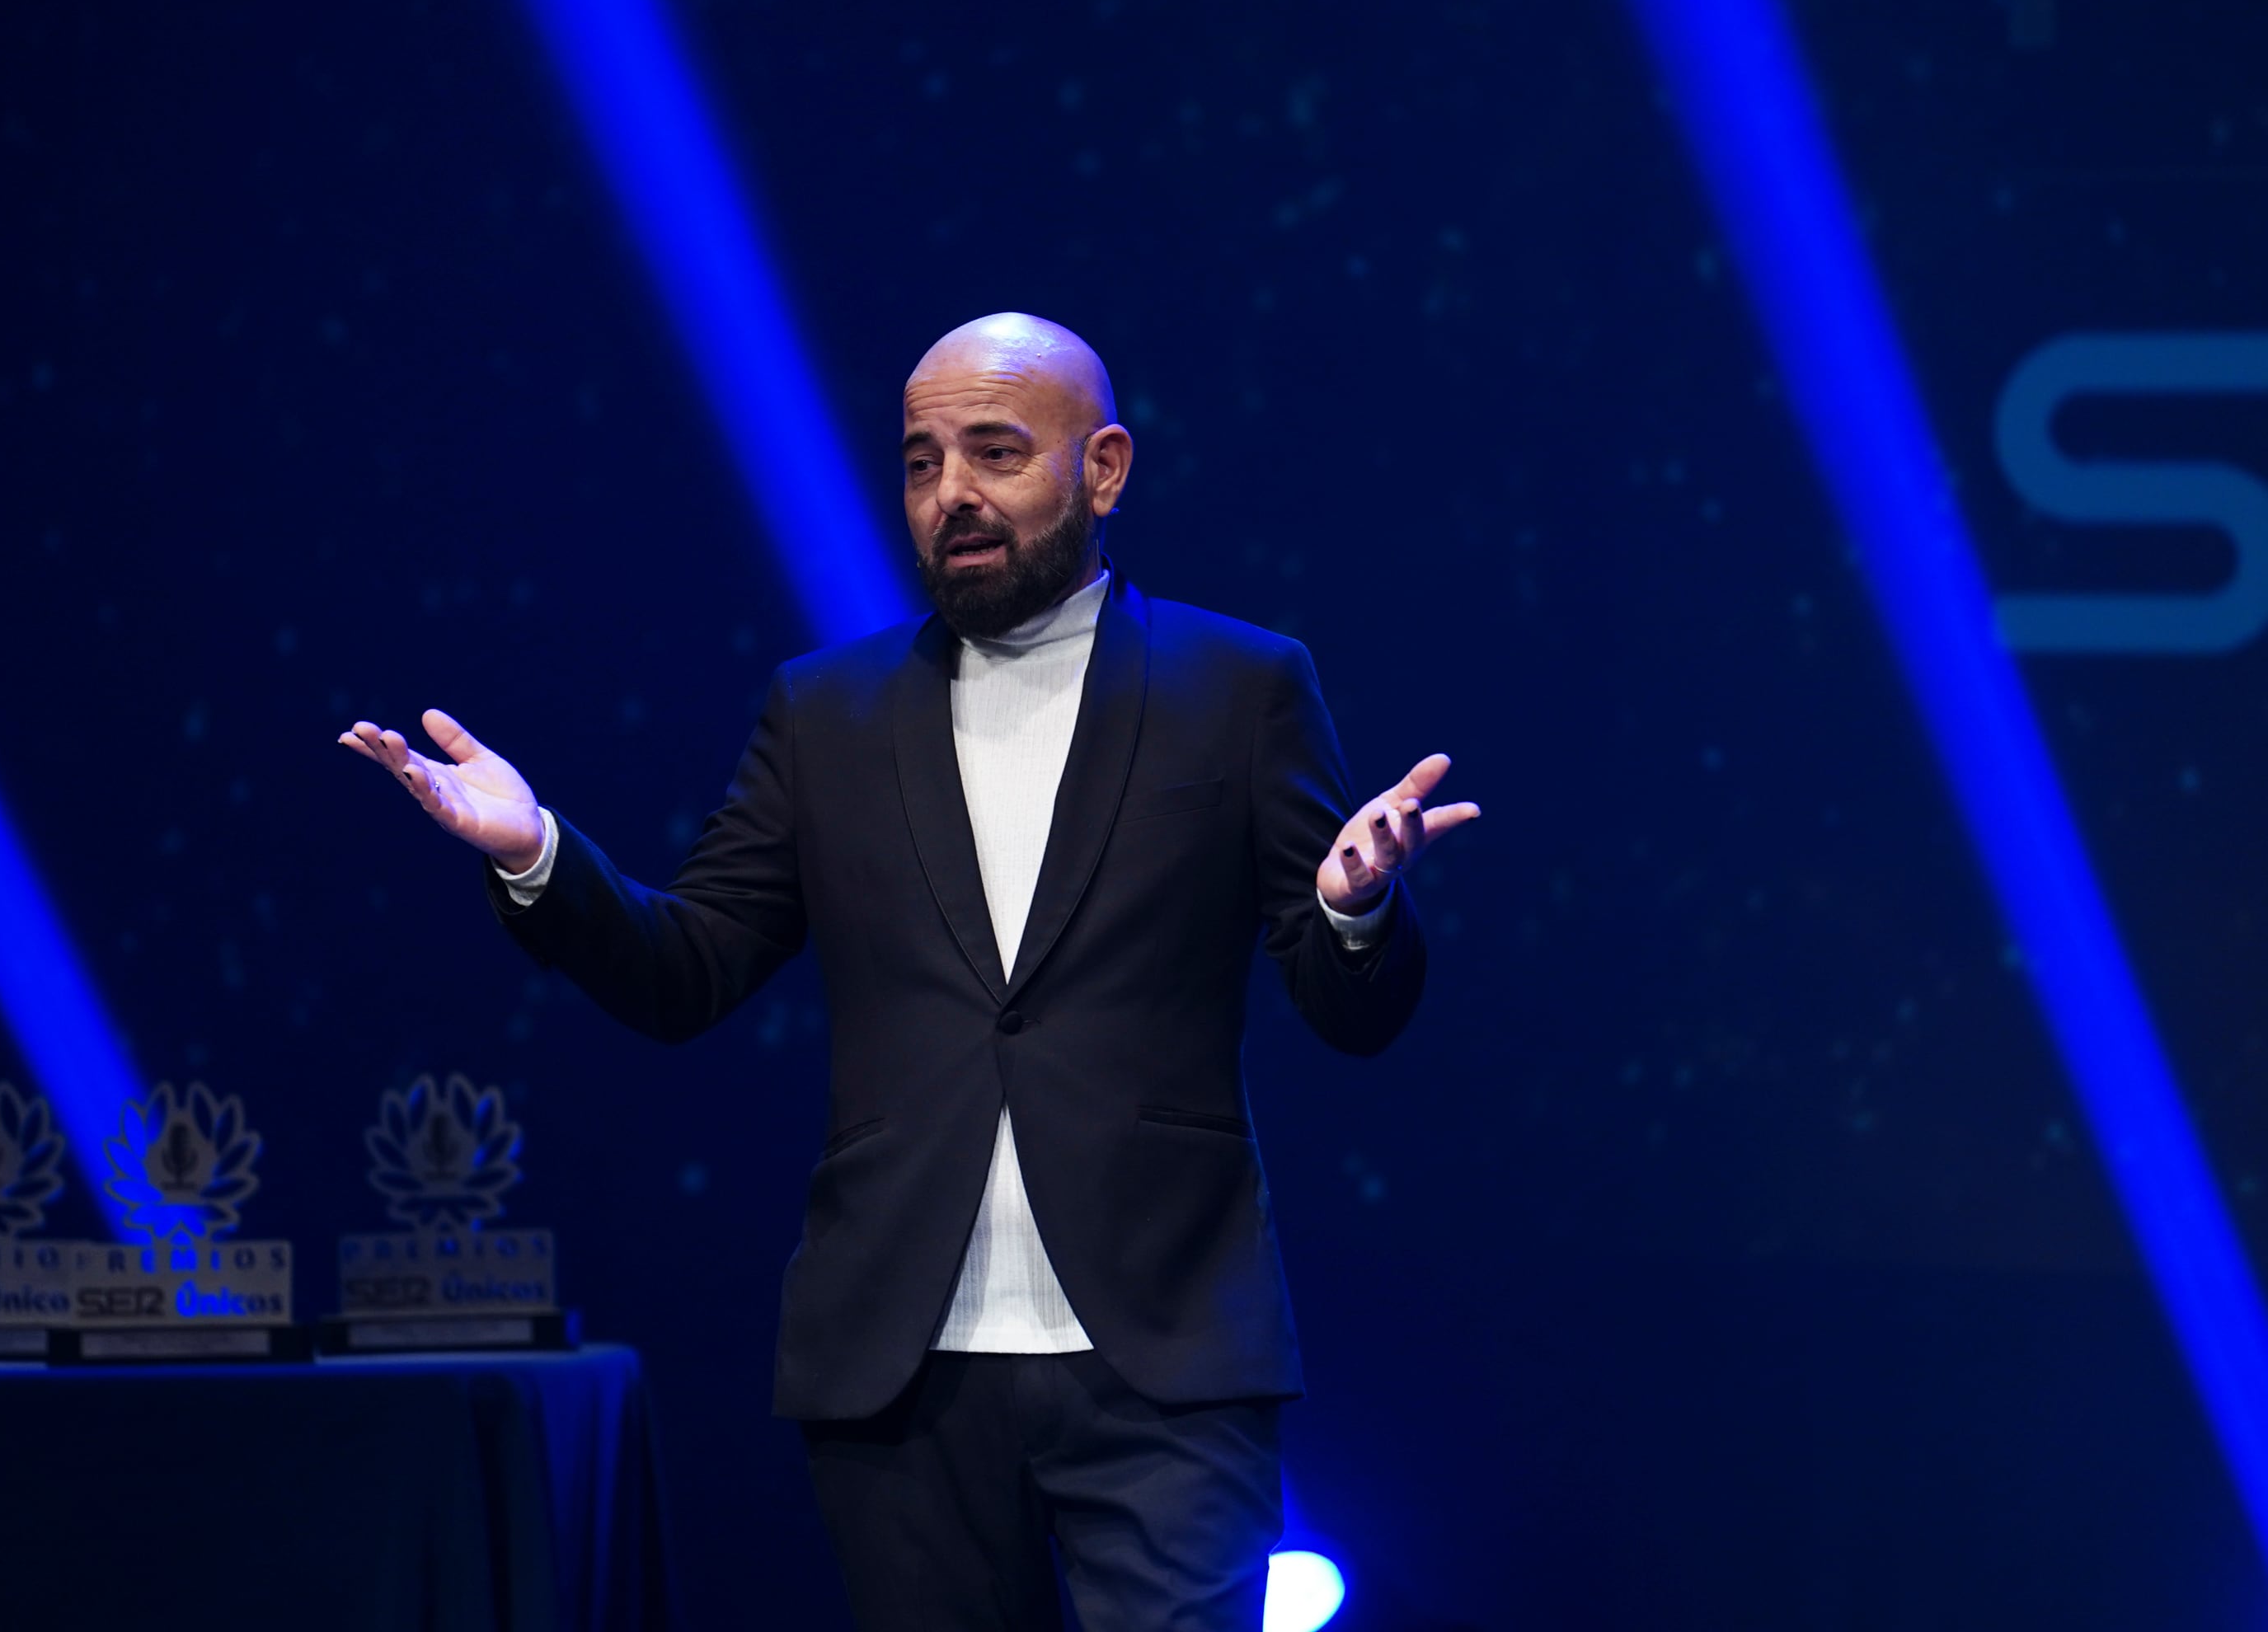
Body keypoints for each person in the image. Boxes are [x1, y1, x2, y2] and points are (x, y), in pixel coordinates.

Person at [341, 313, 1477, 1630]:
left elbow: (1353, 1014)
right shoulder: (826, 712)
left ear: (1104, 468)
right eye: (923, 462)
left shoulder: (1243, 688)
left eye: (996, 452)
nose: (954, 496)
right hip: (899, 1360)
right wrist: (537, 851)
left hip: (1163, 1349)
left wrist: (1348, 907)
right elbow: (684, 970)